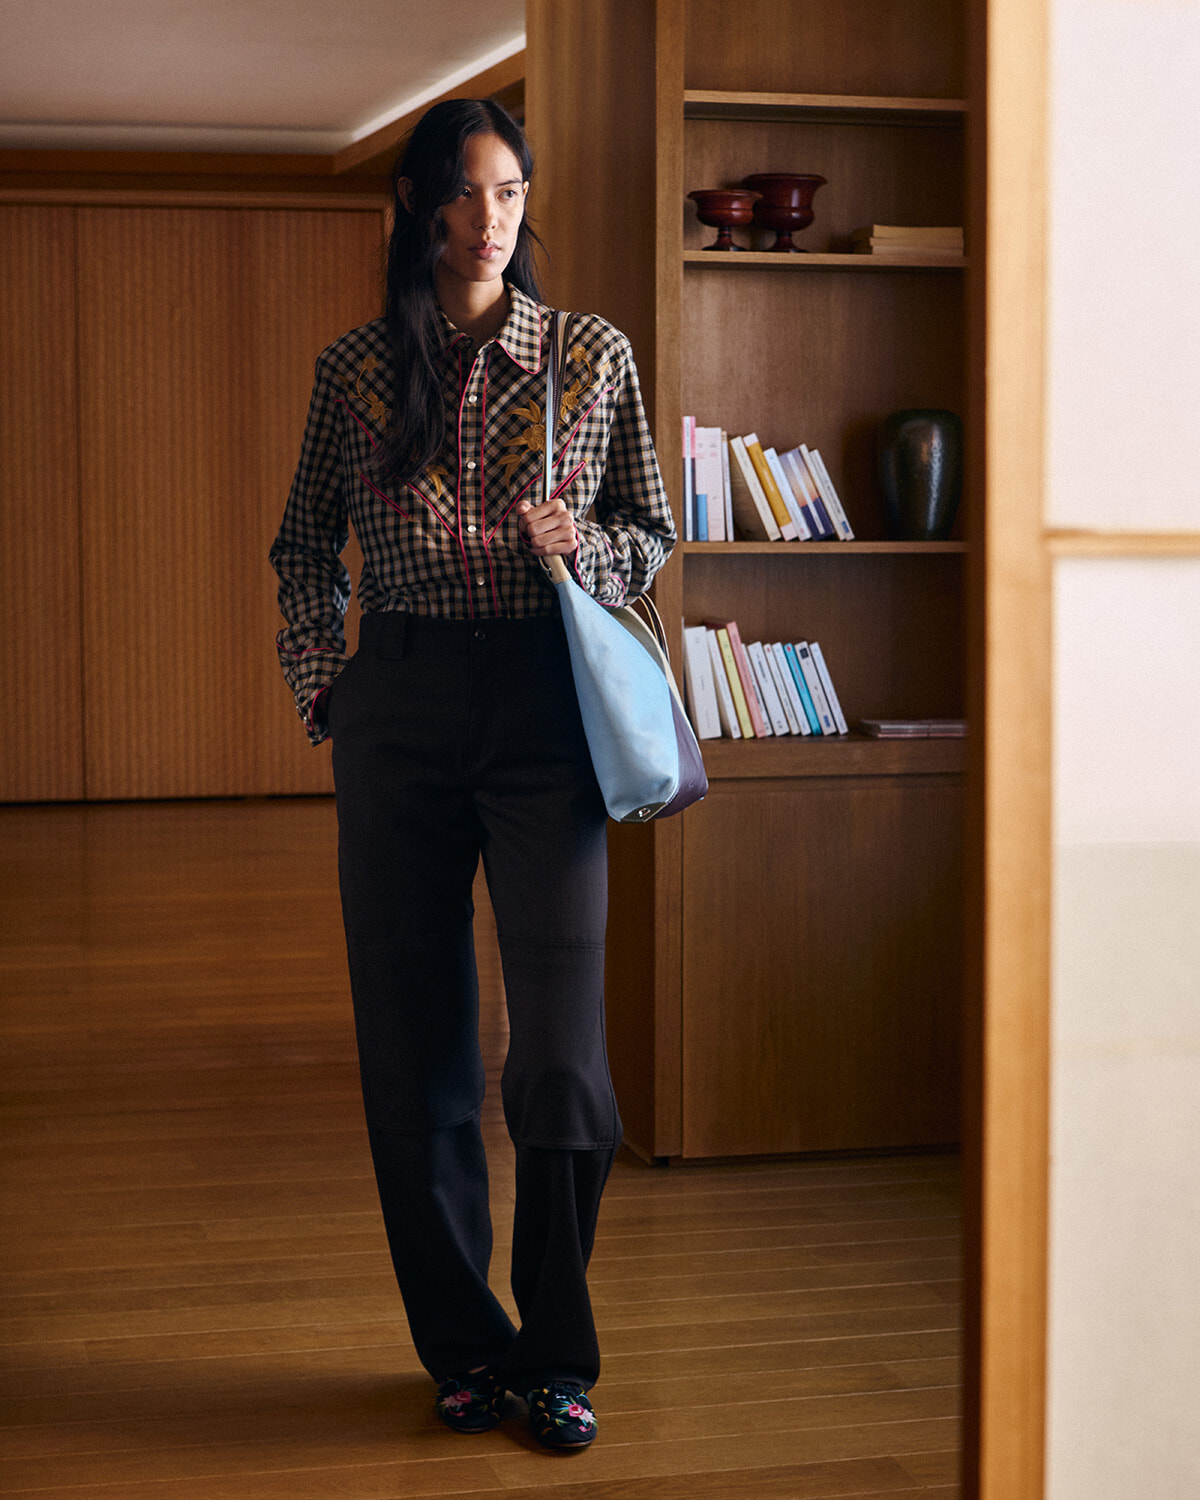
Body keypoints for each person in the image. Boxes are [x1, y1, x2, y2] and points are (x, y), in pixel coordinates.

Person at [268, 98, 675, 1449]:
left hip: (546, 703)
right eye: (465, 192)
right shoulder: (354, 372)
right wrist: (325, 681)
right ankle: (462, 1349)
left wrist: (583, 550)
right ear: (419, 204)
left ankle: (555, 1355)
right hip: (400, 703)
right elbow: (300, 547)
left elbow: (650, 527)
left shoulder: (591, 357)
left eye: (509, 192)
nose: (491, 217)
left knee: (560, 1055)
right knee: (415, 1046)